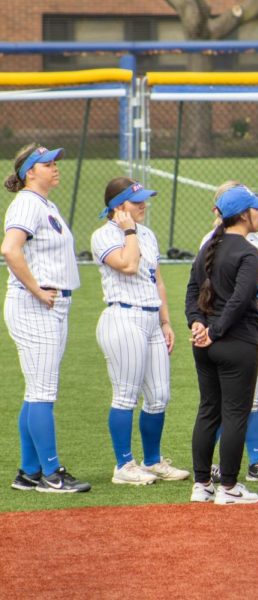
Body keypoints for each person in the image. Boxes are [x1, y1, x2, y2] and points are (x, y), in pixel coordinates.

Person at [4, 144, 90, 494]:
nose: (55, 168)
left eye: (55, 163)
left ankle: (28, 471)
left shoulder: (44, 204)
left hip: (50, 304)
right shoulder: (26, 201)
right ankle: (52, 474)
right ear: (29, 172)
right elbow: (10, 249)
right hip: (35, 304)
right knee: (43, 393)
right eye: (47, 164)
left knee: (36, 391)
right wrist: (37, 289)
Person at [91, 177, 189, 486]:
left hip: (150, 320)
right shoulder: (103, 235)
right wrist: (128, 230)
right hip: (123, 317)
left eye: (144, 199)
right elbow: (129, 265)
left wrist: (165, 321)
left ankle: (153, 460)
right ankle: (123, 465)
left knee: (159, 395)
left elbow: (155, 279)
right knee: (125, 395)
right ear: (118, 207)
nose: (144, 204)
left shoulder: (147, 233)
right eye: (136, 201)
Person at [186, 184, 258, 505]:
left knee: (208, 410)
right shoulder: (249, 251)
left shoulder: (208, 247)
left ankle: (202, 484)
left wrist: (198, 324)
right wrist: (216, 330)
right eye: (256, 209)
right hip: (237, 343)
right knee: (235, 414)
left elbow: (192, 292)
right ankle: (229, 487)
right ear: (244, 215)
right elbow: (241, 299)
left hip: (204, 343)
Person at [200, 182, 258, 484]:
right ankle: (219, 469)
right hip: (230, 329)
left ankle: (257, 460)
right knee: (227, 405)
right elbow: (215, 288)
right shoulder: (210, 242)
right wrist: (254, 294)